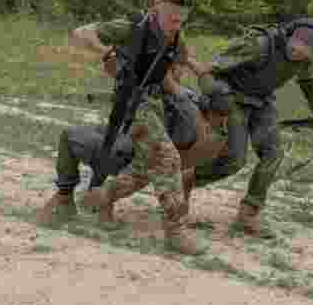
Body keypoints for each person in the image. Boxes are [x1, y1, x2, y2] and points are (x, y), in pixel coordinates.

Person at [68, 0, 208, 254]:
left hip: (158, 103)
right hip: (134, 103)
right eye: (172, 18)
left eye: (182, 19)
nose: (177, 23)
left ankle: (100, 197)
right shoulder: (131, 27)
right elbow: (80, 34)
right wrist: (104, 52)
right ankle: (175, 232)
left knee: (144, 169)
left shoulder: (176, 35)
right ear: (156, 9)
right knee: (169, 160)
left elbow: (179, 61)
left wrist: (189, 76)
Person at [181, 18, 313, 238]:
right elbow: (213, 67)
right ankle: (187, 179)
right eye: (296, 45)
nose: (299, 52)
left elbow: (308, 81)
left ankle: (248, 214)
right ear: (288, 36)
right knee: (234, 160)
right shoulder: (260, 45)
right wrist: (214, 98)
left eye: (307, 50)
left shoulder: (305, 59)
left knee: (273, 153)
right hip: (234, 98)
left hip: (262, 101)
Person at [36, 84, 230, 226]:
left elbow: (147, 154)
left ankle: (65, 198)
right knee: (105, 134)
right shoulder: (208, 131)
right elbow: (185, 168)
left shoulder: (186, 114)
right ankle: (100, 207)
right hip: (136, 149)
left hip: (129, 153)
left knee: (70, 136)